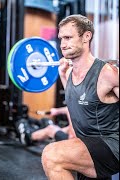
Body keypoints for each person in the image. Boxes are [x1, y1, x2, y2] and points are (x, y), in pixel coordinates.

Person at [41, 14, 119, 179]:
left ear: (86, 36)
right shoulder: (68, 73)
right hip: (87, 145)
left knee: (52, 155)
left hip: (111, 145)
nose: (63, 44)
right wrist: (63, 76)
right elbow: (74, 105)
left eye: (68, 37)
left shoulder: (107, 73)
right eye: (61, 38)